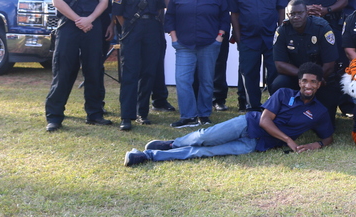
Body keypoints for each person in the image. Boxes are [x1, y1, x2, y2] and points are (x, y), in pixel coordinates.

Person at [124, 63, 334, 166]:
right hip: (246, 125)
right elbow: (264, 120)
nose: (308, 85)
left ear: (319, 84)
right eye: (304, 80)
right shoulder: (283, 93)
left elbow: (328, 138)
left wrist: (316, 145)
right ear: (299, 82)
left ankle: (147, 156)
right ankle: (172, 144)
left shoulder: (320, 112)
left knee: (203, 152)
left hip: (256, 145)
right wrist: (289, 140)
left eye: (313, 82)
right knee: (203, 137)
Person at [44, 0, 112, 131]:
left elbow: (104, 1)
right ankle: (54, 117)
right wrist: (78, 20)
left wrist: (89, 20)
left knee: (94, 71)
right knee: (63, 71)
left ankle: (95, 114)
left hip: (92, 26)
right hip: (68, 26)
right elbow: (57, 1)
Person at [111, 0, 175, 114]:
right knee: (131, 68)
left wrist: (170, 17)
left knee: (154, 65)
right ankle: (129, 111)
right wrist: (126, 26)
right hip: (130, 25)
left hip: (154, 24)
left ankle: (158, 100)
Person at [164, 0, 229, 128]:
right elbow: (169, 16)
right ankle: (188, 116)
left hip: (209, 44)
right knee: (183, 80)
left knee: (206, 80)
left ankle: (204, 114)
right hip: (184, 45)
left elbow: (224, 17)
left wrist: (219, 37)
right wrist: (174, 38)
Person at [181, 0, 238, 112]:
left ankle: (218, 98)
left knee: (220, 59)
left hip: (220, 18)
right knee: (198, 60)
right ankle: (199, 96)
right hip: (198, 19)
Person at [112, 0, 166, 130]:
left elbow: (160, 8)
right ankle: (126, 117)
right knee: (130, 74)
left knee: (149, 72)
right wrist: (128, 28)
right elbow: (118, 14)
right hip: (132, 31)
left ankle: (142, 113)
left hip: (152, 30)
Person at [229, 0, 287, 112]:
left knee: (274, 73)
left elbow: (281, 7)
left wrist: (280, 31)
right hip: (248, 38)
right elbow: (234, 14)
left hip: (271, 37)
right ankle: (253, 106)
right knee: (249, 74)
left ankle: (274, 106)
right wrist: (238, 36)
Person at [272, 0, 339, 126]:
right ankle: (285, 117)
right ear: (288, 15)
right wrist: (305, 79)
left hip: (322, 77)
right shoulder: (282, 31)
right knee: (279, 83)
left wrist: (314, 81)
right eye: (292, 14)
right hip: (295, 77)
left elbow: (330, 64)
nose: (296, 17)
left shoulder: (322, 28)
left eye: (300, 13)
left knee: (327, 124)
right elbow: (280, 65)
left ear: (307, 13)